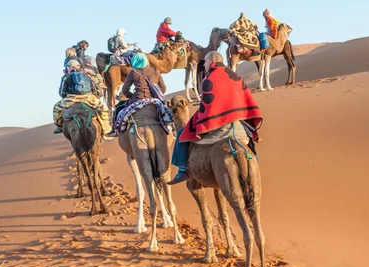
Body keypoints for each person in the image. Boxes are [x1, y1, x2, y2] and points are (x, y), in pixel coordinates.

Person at [167, 51, 263, 185]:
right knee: (248, 138)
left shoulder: (210, 78)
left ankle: (182, 170)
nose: (204, 65)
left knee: (182, 133)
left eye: (205, 62)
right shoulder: (235, 75)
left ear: (211, 62)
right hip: (238, 118)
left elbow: (208, 106)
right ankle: (255, 158)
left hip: (218, 119)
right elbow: (245, 99)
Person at [106, 53, 166, 137]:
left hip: (137, 99)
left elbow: (124, 90)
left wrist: (131, 96)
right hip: (155, 100)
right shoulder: (156, 70)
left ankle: (115, 130)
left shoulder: (133, 72)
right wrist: (155, 95)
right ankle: (170, 127)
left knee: (119, 108)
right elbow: (163, 88)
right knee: (167, 111)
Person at [53, 60, 113, 138]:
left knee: (56, 109)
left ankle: (60, 126)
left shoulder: (65, 77)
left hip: (71, 99)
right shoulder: (86, 75)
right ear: (79, 66)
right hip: (88, 98)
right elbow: (94, 90)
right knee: (103, 109)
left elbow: (62, 93)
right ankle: (106, 131)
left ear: (70, 67)